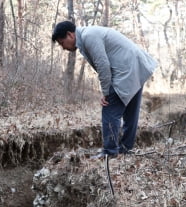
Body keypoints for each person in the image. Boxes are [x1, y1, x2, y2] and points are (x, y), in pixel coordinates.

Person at [51, 21, 157, 158]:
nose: (63, 47)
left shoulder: (88, 36)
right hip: (137, 65)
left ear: (70, 35)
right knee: (131, 112)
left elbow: (103, 65)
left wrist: (106, 93)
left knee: (110, 110)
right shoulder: (86, 35)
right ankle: (125, 149)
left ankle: (110, 152)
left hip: (127, 70)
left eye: (62, 42)